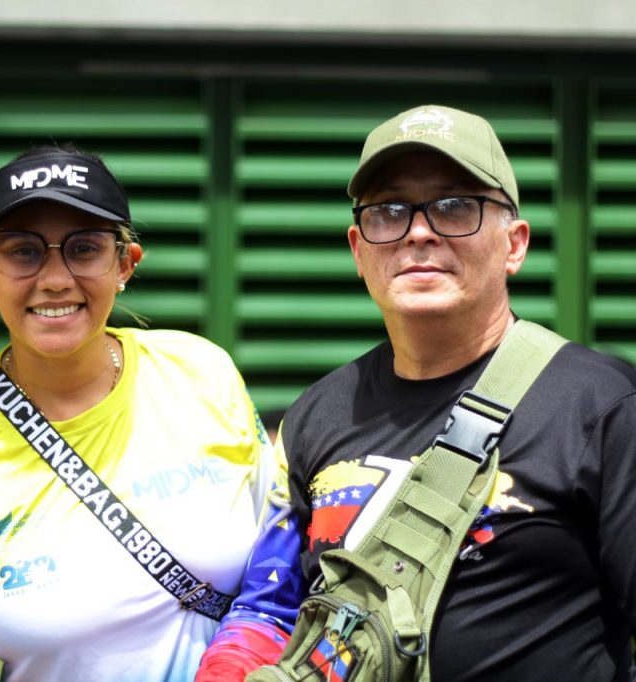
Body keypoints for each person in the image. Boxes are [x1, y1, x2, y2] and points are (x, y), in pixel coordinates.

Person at [196, 103, 636, 681]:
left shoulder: (601, 405)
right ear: (359, 249)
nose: (420, 231)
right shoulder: (316, 414)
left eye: (456, 207)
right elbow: (278, 609)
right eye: (389, 211)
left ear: (516, 244)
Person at [0, 145, 285, 682]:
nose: (54, 278)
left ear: (125, 263)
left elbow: (276, 569)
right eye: (24, 251)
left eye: (84, 249)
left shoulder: (202, 371)